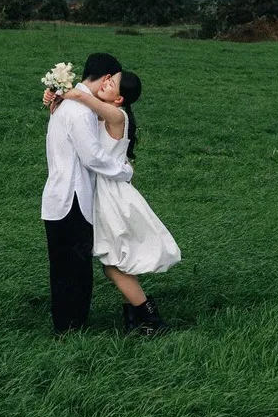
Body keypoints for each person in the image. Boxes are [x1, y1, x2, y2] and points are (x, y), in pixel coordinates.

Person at [45, 70, 180, 336]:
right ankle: (139, 317)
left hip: (113, 197)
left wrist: (71, 92)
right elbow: (78, 121)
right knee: (113, 262)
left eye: (112, 83)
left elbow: (86, 104)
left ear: (119, 99)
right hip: (103, 193)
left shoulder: (118, 116)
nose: (105, 83)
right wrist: (53, 98)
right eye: (105, 79)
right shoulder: (99, 114)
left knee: (113, 264)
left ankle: (148, 316)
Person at [41, 52, 133, 336]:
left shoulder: (68, 105)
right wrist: (123, 170)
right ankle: (71, 329)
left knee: (62, 268)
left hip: (57, 196)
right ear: (106, 77)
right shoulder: (78, 110)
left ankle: (65, 327)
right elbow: (92, 157)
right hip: (73, 199)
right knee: (75, 270)